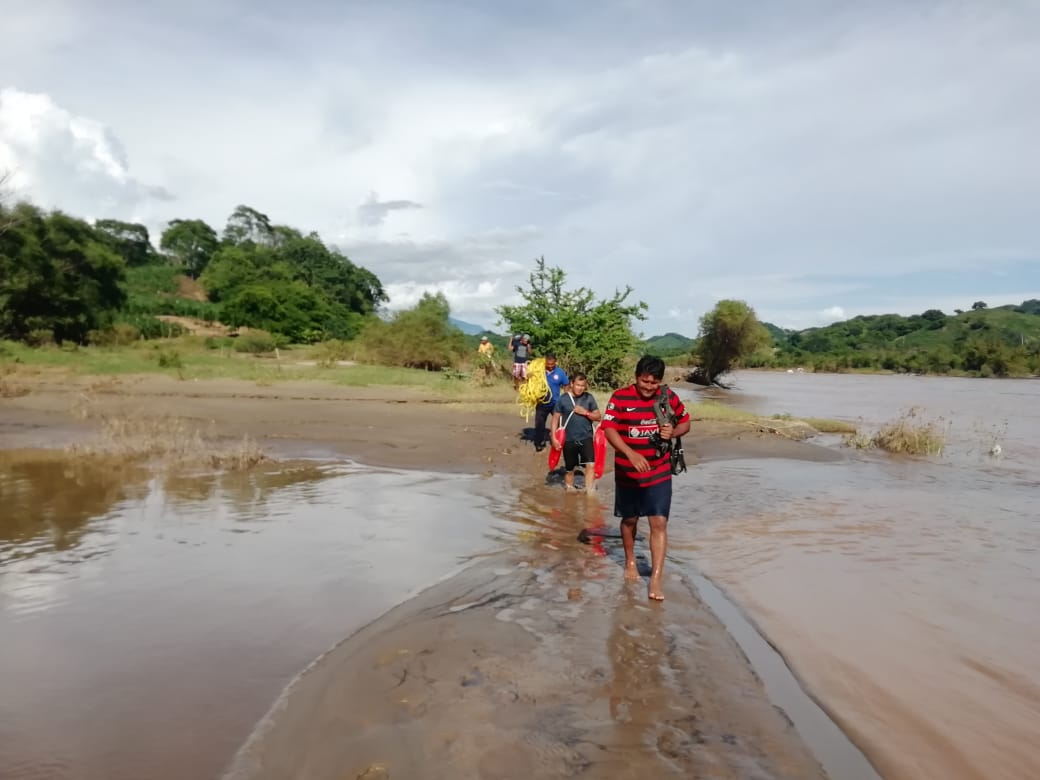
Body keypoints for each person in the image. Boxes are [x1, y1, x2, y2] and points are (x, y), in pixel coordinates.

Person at [600, 355, 690, 602]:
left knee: (659, 522)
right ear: (636, 377)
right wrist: (630, 454)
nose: (649, 387)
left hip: (659, 470)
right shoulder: (620, 397)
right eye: (644, 381)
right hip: (627, 472)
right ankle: (630, 560)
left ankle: (656, 578)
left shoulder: (667, 397)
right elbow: (608, 428)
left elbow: (685, 422)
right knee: (629, 520)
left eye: (654, 382)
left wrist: (673, 431)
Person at [550, 372, 601, 493]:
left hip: (586, 437)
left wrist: (585, 412)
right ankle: (569, 491)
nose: (580, 388)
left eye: (583, 385)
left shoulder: (589, 398)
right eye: (578, 385)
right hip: (569, 439)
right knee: (570, 469)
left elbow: (598, 417)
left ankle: (589, 492)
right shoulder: (563, 399)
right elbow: (555, 419)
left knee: (590, 465)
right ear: (572, 384)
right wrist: (553, 438)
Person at [534, 353, 568, 452]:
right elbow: (529, 380)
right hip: (541, 402)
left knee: (558, 424)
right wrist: (529, 376)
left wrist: (565, 398)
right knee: (539, 424)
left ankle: (557, 442)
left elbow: (566, 384)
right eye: (548, 364)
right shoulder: (539, 371)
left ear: (555, 362)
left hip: (556, 403)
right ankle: (539, 443)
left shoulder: (560, 372)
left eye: (552, 364)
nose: (550, 366)